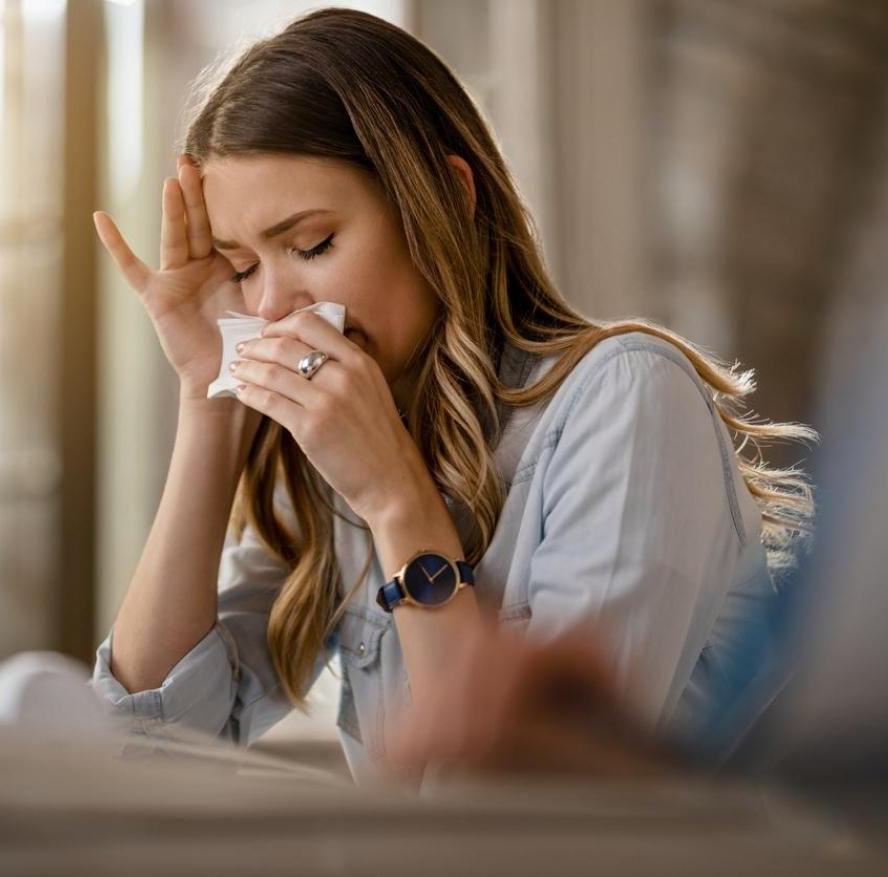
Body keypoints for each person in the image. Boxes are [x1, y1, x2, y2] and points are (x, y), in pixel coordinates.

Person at [88, 8, 814, 784]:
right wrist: (210, 400)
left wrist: (398, 503)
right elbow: (145, 746)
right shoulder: (340, 447)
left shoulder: (626, 400)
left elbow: (519, 809)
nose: (269, 309)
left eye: (311, 245)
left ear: (445, 194)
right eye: (242, 266)